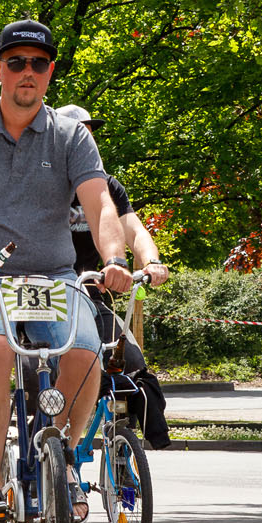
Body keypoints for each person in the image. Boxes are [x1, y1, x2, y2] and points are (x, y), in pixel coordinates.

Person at [0, 19, 133, 523]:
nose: (27, 72)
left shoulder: (70, 136)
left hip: (54, 279)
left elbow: (101, 203)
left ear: (51, 71)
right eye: (15, 62)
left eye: (38, 63)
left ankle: (63, 457)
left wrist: (115, 260)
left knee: (85, 353)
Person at [57, 104, 172, 449]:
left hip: (90, 294)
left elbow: (133, 230)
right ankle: (50, 455)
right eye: (78, 133)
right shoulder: (45, 186)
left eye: (89, 133)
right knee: (46, 381)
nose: (85, 139)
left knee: (131, 368)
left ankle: (124, 441)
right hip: (49, 297)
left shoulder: (105, 186)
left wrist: (151, 261)